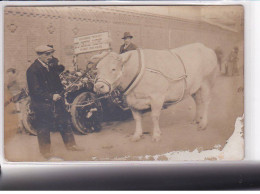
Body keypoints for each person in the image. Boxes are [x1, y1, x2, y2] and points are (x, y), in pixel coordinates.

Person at [26, 45, 83, 159]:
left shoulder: (50, 67)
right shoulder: (32, 70)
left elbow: (58, 83)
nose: (50, 56)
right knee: (43, 126)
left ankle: (71, 145)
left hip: (57, 100)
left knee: (64, 122)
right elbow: (35, 91)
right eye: (47, 54)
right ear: (39, 55)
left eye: (51, 54)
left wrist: (62, 93)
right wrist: (51, 96)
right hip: (42, 104)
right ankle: (45, 152)